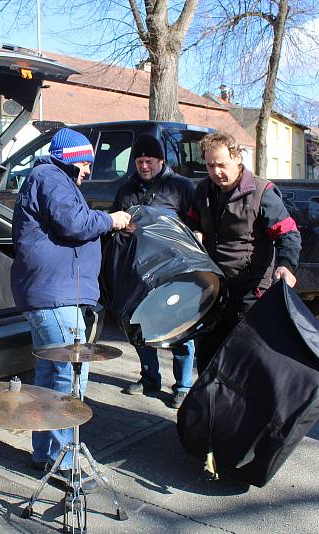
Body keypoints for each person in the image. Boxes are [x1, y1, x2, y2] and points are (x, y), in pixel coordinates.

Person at [11, 127, 130, 488]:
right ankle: (64, 463)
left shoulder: (46, 178)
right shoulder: (51, 177)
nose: (88, 171)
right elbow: (74, 224)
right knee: (68, 380)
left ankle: (44, 454)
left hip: (50, 296)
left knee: (48, 380)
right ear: (74, 159)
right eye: (87, 163)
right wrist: (111, 220)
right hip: (56, 298)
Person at [187, 131, 302, 371]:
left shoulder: (262, 192)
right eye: (210, 165)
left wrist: (286, 265)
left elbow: (288, 234)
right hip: (211, 287)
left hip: (250, 290)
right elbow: (191, 222)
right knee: (208, 355)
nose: (216, 172)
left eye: (221, 164)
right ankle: (210, 407)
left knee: (244, 359)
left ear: (237, 157)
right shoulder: (203, 191)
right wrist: (195, 232)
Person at [111, 133, 196, 409]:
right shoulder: (126, 190)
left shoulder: (180, 187)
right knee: (140, 327)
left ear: (161, 161)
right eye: (139, 161)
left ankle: (183, 386)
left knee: (181, 332)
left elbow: (197, 226)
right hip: (139, 272)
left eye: (149, 160)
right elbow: (114, 227)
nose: (144, 166)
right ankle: (150, 377)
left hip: (174, 272)